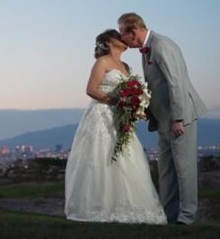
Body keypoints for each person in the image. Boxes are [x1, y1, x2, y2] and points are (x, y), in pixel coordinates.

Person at [64, 29, 167, 224]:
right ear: (108, 42)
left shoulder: (125, 66)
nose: (122, 38)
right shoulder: (102, 62)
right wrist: (117, 101)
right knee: (99, 158)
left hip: (120, 118)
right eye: (117, 36)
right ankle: (99, 207)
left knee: (125, 158)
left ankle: (127, 206)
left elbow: (131, 92)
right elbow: (91, 89)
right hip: (101, 114)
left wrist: (136, 105)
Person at [118, 13, 208, 225]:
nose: (122, 39)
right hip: (162, 120)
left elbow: (175, 83)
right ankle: (168, 217)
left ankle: (186, 218)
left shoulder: (161, 45)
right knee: (166, 171)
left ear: (133, 31)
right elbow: (156, 85)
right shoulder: (146, 49)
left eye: (123, 33)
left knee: (184, 171)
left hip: (180, 119)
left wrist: (178, 118)